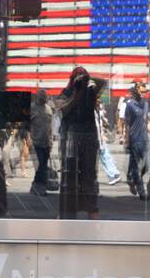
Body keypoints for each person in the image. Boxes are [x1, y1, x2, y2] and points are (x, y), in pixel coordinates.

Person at [56, 65, 104, 218]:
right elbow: (63, 110)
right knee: (69, 174)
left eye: (82, 76)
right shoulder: (67, 92)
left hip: (89, 136)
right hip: (71, 137)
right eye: (77, 76)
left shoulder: (91, 91)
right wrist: (77, 92)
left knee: (89, 174)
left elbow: (103, 82)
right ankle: (69, 209)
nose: (80, 79)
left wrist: (86, 80)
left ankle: (91, 208)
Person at [124, 83, 150, 199]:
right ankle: (142, 192)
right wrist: (126, 140)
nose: (144, 94)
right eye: (142, 91)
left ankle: (131, 177)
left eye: (145, 92)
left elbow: (147, 120)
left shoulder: (145, 104)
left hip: (145, 138)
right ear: (136, 91)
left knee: (146, 165)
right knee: (136, 166)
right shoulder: (130, 105)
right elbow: (127, 124)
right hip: (134, 139)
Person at [29, 88, 54, 194]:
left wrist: (51, 140)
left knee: (43, 165)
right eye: (42, 96)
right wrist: (28, 138)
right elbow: (25, 125)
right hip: (35, 142)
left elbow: (50, 126)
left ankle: (35, 185)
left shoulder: (49, 109)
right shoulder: (31, 108)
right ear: (37, 97)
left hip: (46, 142)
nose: (44, 98)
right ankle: (41, 188)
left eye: (45, 96)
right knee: (41, 165)